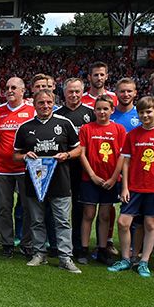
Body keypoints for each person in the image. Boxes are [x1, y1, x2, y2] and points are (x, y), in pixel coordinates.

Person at [13, 89, 82, 273]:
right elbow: (15, 155)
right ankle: (39, 254)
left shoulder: (64, 123)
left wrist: (67, 155)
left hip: (60, 180)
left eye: (48, 102)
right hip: (35, 182)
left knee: (62, 221)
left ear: (54, 103)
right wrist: (25, 155)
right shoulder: (25, 127)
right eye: (41, 103)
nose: (45, 106)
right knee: (36, 220)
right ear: (34, 105)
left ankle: (65, 257)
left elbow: (78, 150)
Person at [108, 96, 154, 277]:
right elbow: (126, 163)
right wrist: (124, 187)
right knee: (123, 222)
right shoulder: (132, 135)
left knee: (150, 223)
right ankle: (126, 258)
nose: (145, 115)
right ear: (137, 114)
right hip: (133, 187)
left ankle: (144, 261)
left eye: (148, 111)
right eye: (141, 112)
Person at [77, 95, 125, 265]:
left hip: (110, 180)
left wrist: (113, 178)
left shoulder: (119, 129)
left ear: (112, 110)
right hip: (90, 179)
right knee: (88, 214)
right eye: (99, 109)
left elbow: (122, 156)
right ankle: (83, 249)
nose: (102, 112)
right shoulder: (86, 128)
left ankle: (102, 249)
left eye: (106, 109)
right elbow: (82, 153)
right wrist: (92, 176)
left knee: (105, 215)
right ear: (94, 110)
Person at [0, 77, 34, 258]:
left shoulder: (31, 110)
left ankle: (26, 243)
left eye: (14, 88)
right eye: (7, 87)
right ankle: (7, 242)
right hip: (2, 167)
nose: (10, 90)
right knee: (4, 207)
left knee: (27, 207)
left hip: (25, 168)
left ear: (23, 91)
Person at [55, 77, 94, 259]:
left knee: (79, 209)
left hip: (83, 169)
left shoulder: (90, 113)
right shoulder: (56, 114)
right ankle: (56, 244)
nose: (74, 94)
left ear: (82, 92)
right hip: (61, 168)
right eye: (70, 91)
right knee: (58, 208)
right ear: (64, 93)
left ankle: (78, 246)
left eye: (77, 91)